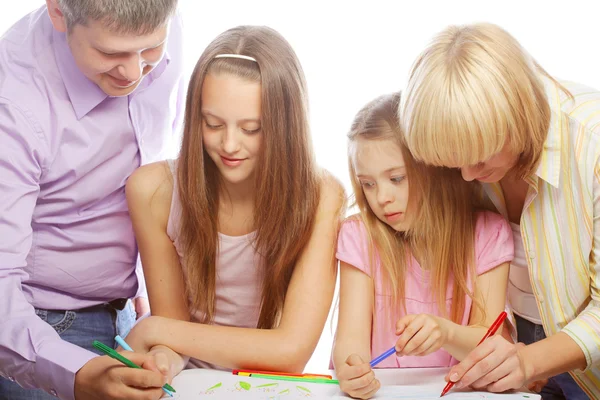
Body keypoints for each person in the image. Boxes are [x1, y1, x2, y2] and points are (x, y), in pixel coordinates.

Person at [122, 25, 345, 379]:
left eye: (251, 129)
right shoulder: (152, 191)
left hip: (267, 386)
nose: (228, 145)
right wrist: (161, 360)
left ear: (286, 127)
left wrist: (154, 331)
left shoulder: (322, 197)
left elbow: (291, 353)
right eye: (212, 124)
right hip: (188, 381)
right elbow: (174, 336)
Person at [401, 22, 600, 399]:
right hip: (514, 347)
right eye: (453, 162)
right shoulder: (467, 157)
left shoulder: (592, 142)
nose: (467, 176)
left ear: (517, 114)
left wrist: (530, 361)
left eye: (479, 158)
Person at [0, 0, 186, 399]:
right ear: (58, 12)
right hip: (41, 333)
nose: (135, 73)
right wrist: (78, 373)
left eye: (150, 50)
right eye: (111, 53)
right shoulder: (12, 106)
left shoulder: (158, 22)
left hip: (132, 317)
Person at [332, 92, 513, 399]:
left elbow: (491, 338)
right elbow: (350, 340)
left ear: (435, 169)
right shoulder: (359, 236)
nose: (381, 198)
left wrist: (445, 333)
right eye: (368, 183)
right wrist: (351, 369)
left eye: (397, 178)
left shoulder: (488, 234)